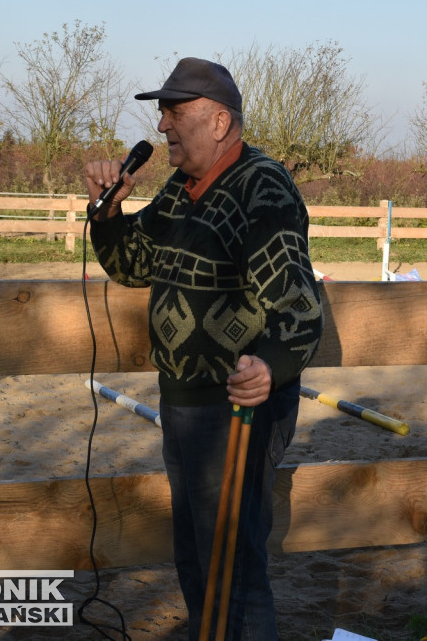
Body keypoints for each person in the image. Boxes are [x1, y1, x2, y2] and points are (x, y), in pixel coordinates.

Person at [83, 57, 323, 640]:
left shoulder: (261, 186)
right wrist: (109, 210)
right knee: (196, 558)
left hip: (234, 410)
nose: (162, 125)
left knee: (233, 569)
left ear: (219, 122)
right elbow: (131, 264)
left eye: (173, 110)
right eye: (161, 111)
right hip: (185, 405)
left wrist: (271, 364)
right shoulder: (182, 187)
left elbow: (300, 306)